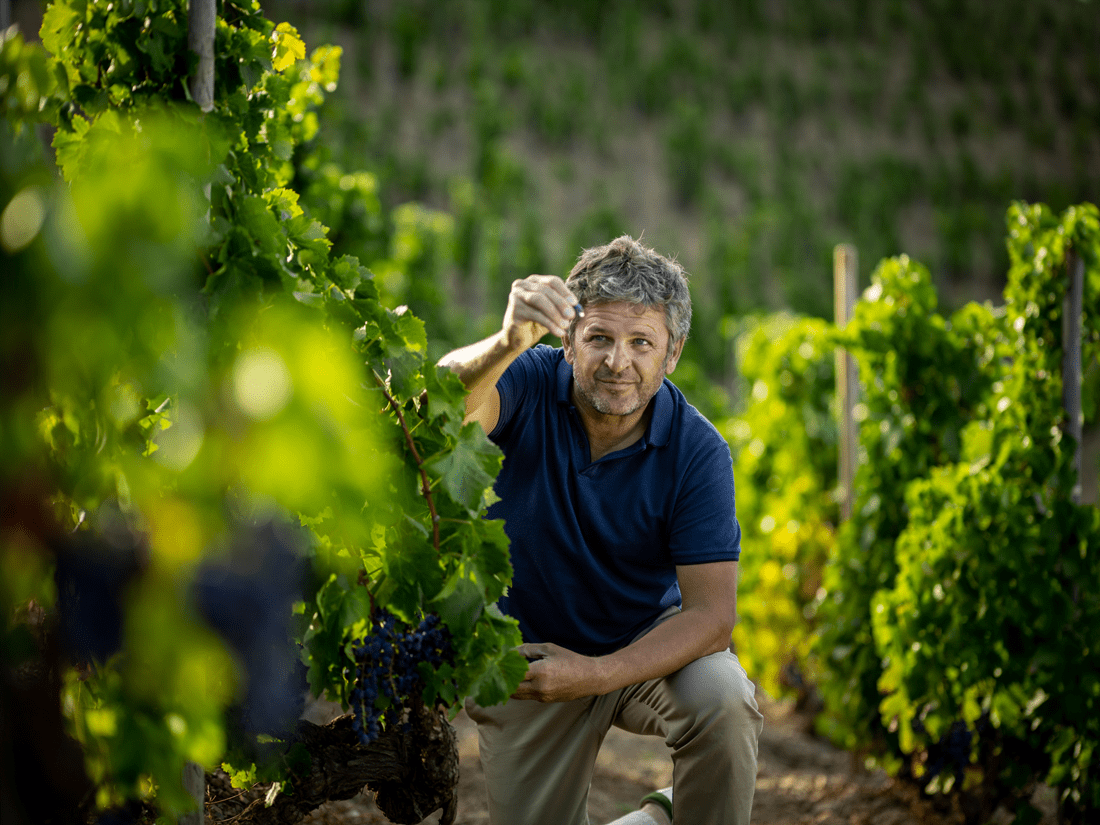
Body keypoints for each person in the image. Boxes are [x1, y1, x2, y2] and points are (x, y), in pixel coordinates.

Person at [438, 235, 763, 825]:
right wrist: (507, 343)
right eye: (600, 339)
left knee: (724, 698)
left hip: (646, 644)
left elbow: (714, 616)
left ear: (673, 353)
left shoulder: (698, 451)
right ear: (567, 341)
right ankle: (666, 818)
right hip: (531, 660)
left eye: (642, 343)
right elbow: (438, 409)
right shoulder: (527, 379)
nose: (619, 362)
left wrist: (594, 673)